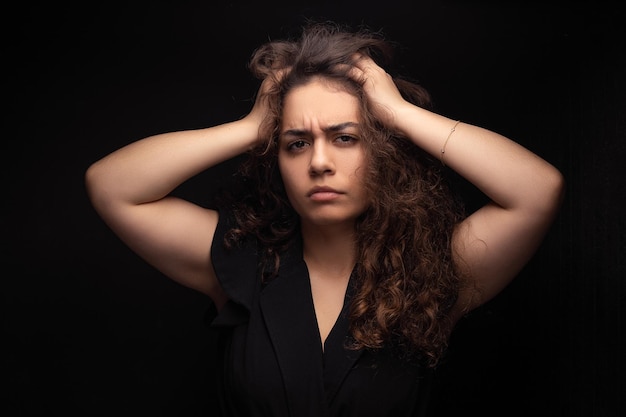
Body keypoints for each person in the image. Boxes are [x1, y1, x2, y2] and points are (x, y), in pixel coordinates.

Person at [85, 21, 564, 416]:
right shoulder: (240, 261)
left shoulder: (433, 273)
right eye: (296, 143)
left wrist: (396, 113)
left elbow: (536, 191)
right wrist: (251, 126)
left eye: (345, 138)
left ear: (381, 153)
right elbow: (112, 186)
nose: (318, 162)